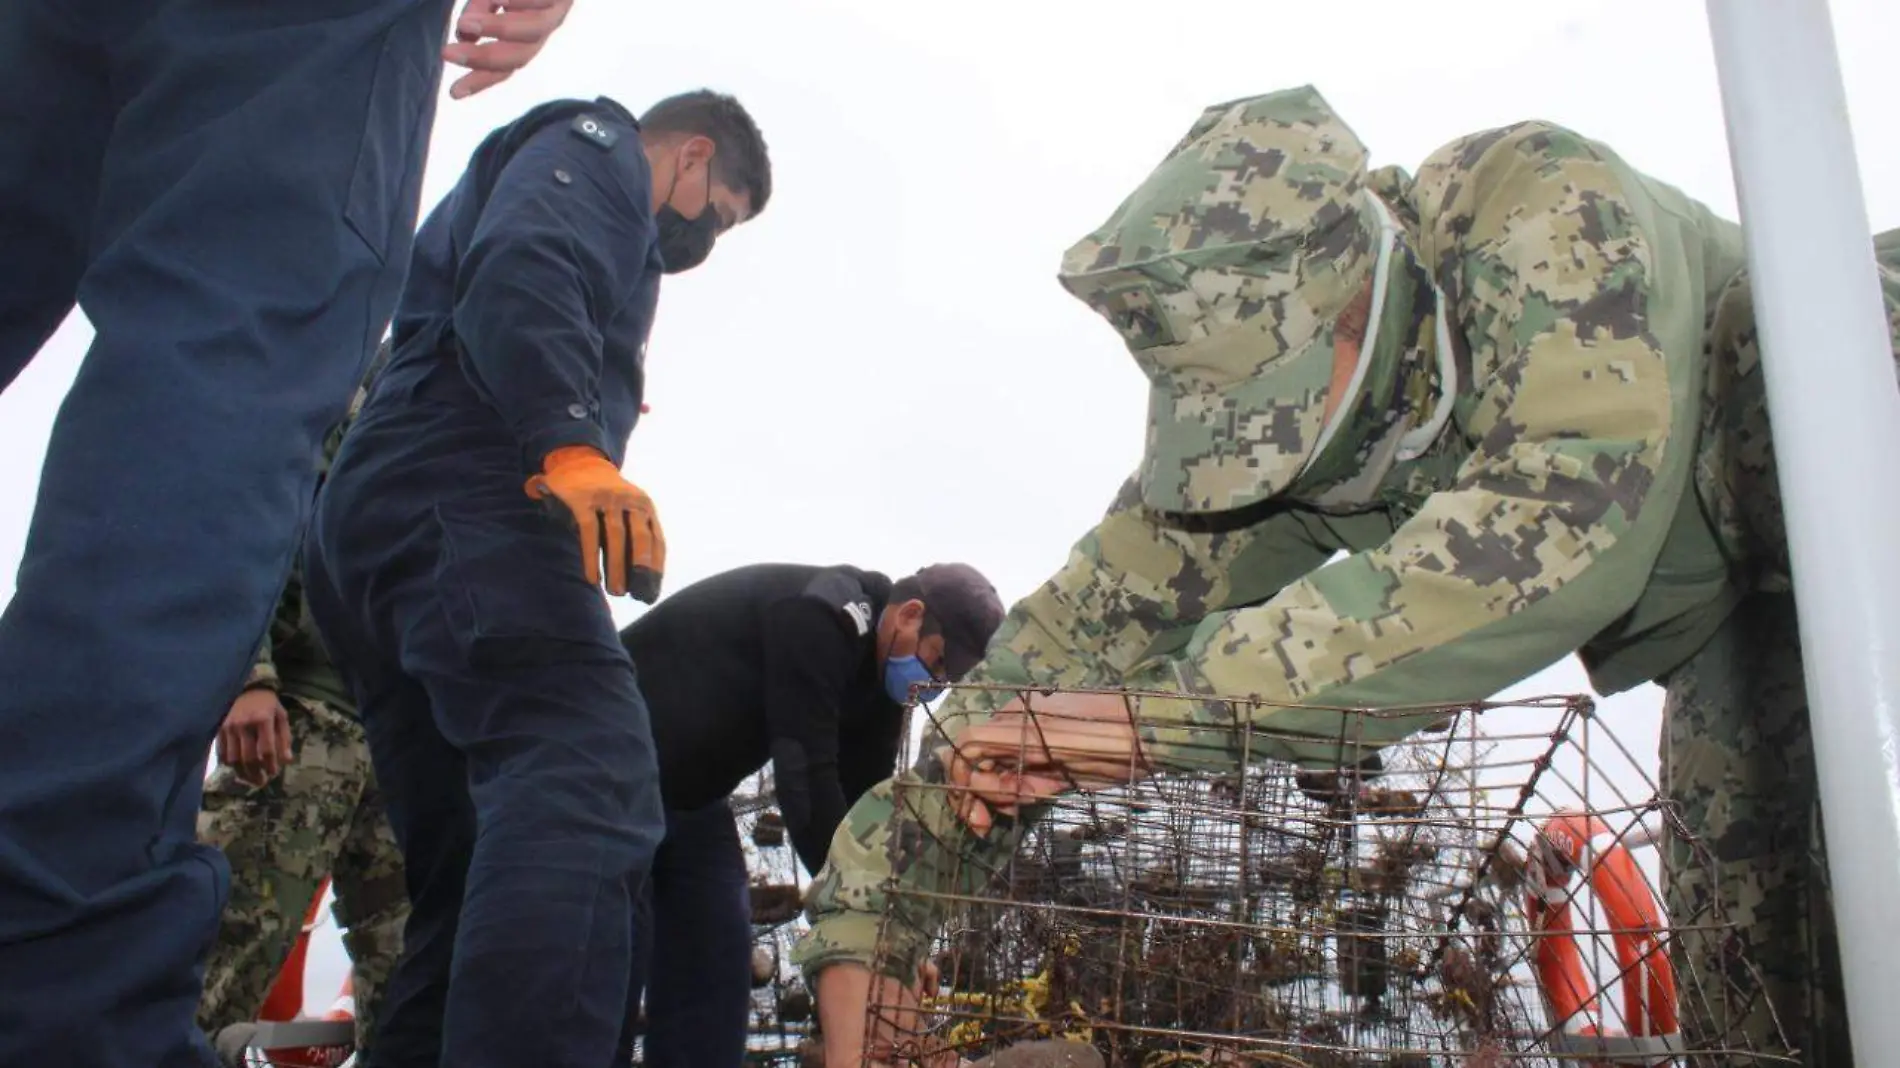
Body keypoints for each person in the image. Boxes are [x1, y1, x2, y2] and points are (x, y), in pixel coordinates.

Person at [792, 86, 1900, 1068]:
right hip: (1742, 640)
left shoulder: (1539, 206)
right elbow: (1051, 662)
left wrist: (1150, 720)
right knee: (1756, 983)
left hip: (1861, 519)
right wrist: (870, 935)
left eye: (1268, 418)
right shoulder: (1285, 461)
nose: (1259, 456)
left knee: (1783, 353)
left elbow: (1551, 534)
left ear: (1358, 301)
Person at [0, 2, 571, 1063]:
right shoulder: (381, 403)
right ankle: (57, 1002)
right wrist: (253, 673)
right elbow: (221, 455)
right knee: (233, 332)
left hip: (367, 737)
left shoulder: (490, 470)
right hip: (291, 712)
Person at [303, 90, 772, 1068]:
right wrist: (570, 445)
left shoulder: (596, 209)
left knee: (471, 861)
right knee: (590, 765)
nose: (702, 241)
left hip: (388, 526)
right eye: (716, 214)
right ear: (691, 156)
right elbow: (527, 265)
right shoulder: (591, 150)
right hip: (465, 488)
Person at [616, 562, 1006, 1067]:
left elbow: (862, 816)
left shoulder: (883, 683)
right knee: (609, 966)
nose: (933, 685)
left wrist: (897, 933)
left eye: (946, 679)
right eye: (936, 663)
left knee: (715, 963)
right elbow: (804, 780)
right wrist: (859, 913)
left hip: (691, 798)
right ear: (910, 615)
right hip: (608, 770)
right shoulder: (822, 616)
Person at [197, 348, 405, 1061]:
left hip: (403, 742)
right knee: (223, 949)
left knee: (411, 973)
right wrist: (249, 674)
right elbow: (261, 519)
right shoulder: (353, 404)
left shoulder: (465, 446)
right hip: (301, 717)